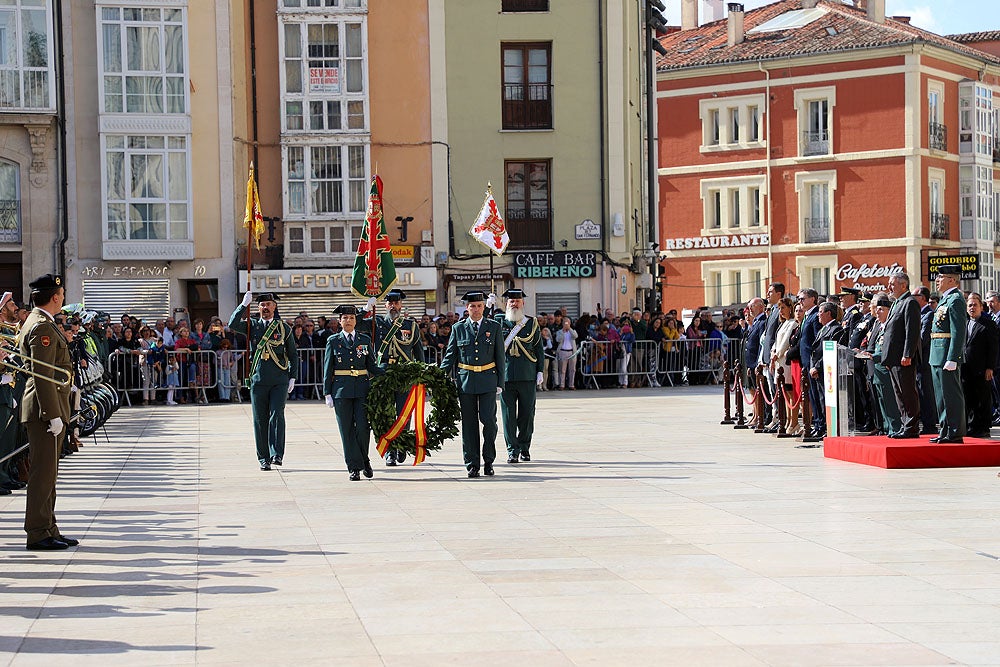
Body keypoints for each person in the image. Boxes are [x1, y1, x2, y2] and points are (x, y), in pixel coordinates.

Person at [18, 274, 76, 550]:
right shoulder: (42, 327)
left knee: (49, 473)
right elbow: (43, 375)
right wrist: (51, 413)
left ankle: (48, 526)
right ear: (55, 297)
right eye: (62, 293)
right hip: (44, 410)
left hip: (48, 407)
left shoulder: (43, 323)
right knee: (42, 473)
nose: (63, 297)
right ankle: (38, 532)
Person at [440, 291, 505, 478]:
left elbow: (500, 356)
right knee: (469, 425)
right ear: (466, 308)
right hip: (466, 381)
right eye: (472, 306)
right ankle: (472, 463)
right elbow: (450, 356)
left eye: (479, 306)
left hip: (487, 380)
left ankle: (489, 460)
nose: (476, 309)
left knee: (489, 422)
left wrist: (500, 382)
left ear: (484, 307)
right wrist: (437, 376)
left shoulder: (494, 327)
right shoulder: (458, 328)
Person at [228, 292, 297, 470]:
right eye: (262, 305)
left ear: (275, 306)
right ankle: (263, 458)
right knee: (260, 419)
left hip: (279, 379)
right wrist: (243, 306)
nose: (265, 308)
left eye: (268, 304)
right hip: (258, 379)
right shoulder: (253, 326)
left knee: (277, 415)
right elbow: (232, 324)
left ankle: (277, 454)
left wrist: (293, 376)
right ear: (258, 308)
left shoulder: (283, 328)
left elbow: (293, 355)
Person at [367, 288, 425, 466]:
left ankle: (401, 445)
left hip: (404, 374)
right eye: (390, 303)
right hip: (383, 373)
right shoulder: (376, 322)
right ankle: (389, 451)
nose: (393, 306)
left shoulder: (410, 325)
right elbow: (359, 324)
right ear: (385, 305)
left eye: (396, 303)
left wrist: (421, 374)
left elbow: (418, 352)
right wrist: (366, 308)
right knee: (386, 412)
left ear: (401, 305)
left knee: (403, 413)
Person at [324, 305, 376, 481]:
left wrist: (392, 371)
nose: (348, 321)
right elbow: (327, 367)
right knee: (346, 430)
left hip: (362, 389)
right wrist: (327, 393)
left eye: (351, 318)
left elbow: (372, 366)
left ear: (356, 321)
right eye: (345, 318)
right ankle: (353, 467)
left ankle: (365, 460)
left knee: (362, 428)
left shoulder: (364, 339)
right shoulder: (333, 340)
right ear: (339, 321)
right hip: (341, 390)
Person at [492, 288, 544, 464]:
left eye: (517, 301)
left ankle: (524, 447)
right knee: (508, 416)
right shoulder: (498, 321)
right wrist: (487, 308)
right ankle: (512, 450)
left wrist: (540, 370)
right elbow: (483, 329)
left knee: (527, 414)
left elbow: (538, 349)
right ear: (506, 304)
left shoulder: (532, 323)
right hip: (505, 376)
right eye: (511, 301)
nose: (514, 303)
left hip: (527, 374)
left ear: (523, 303)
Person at [880, 273, 922, 438]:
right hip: (894, 358)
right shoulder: (898, 303)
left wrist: (907, 354)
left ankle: (911, 427)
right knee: (899, 394)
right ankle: (905, 425)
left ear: (903, 285)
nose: (889, 287)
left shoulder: (910, 303)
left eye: (892, 284)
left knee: (907, 392)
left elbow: (912, 332)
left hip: (903, 358)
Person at [929, 266, 968, 444]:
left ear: (952, 280)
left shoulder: (956, 300)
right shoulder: (946, 299)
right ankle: (945, 430)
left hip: (946, 355)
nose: (937, 280)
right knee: (941, 396)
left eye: (941, 277)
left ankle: (954, 432)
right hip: (937, 353)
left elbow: (958, 331)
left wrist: (953, 357)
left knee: (951, 395)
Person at [962, 292, 997, 438]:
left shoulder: (988, 324)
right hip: (966, 367)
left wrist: (990, 367)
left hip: (982, 368)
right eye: (969, 305)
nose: (972, 308)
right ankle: (972, 425)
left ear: (981, 307)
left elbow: (993, 347)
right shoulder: (964, 322)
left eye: (975, 305)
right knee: (969, 397)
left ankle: (983, 427)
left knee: (982, 398)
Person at [911, 286, 937, 435]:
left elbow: (923, 339)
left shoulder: (928, 315)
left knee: (926, 394)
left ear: (922, 297)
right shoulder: (919, 314)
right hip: (918, 362)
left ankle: (930, 425)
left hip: (924, 363)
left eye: (914, 296)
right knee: (921, 394)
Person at [554, 316, 578, 390]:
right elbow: (558, 340)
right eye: (565, 323)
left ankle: (571, 384)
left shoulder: (572, 331)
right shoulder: (559, 332)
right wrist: (563, 331)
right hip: (563, 351)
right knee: (562, 370)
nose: (566, 324)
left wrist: (569, 329)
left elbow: (575, 336)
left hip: (572, 352)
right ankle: (562, 385)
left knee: (572, 369)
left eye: (568, 323)